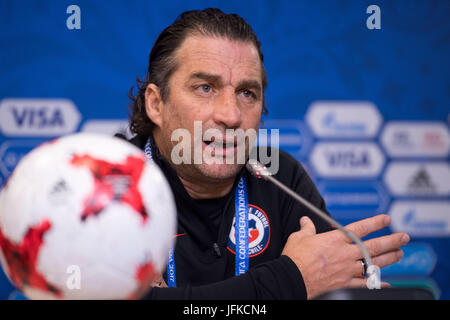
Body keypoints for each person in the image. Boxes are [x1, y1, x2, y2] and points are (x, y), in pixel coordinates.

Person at [122, 8, 409, 299]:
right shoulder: (108, 182)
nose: (231, 116)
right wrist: (290, 280)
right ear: (156, 104)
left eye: (247, 93)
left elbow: (330, 288)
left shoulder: (280, 177)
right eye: (205, 87)